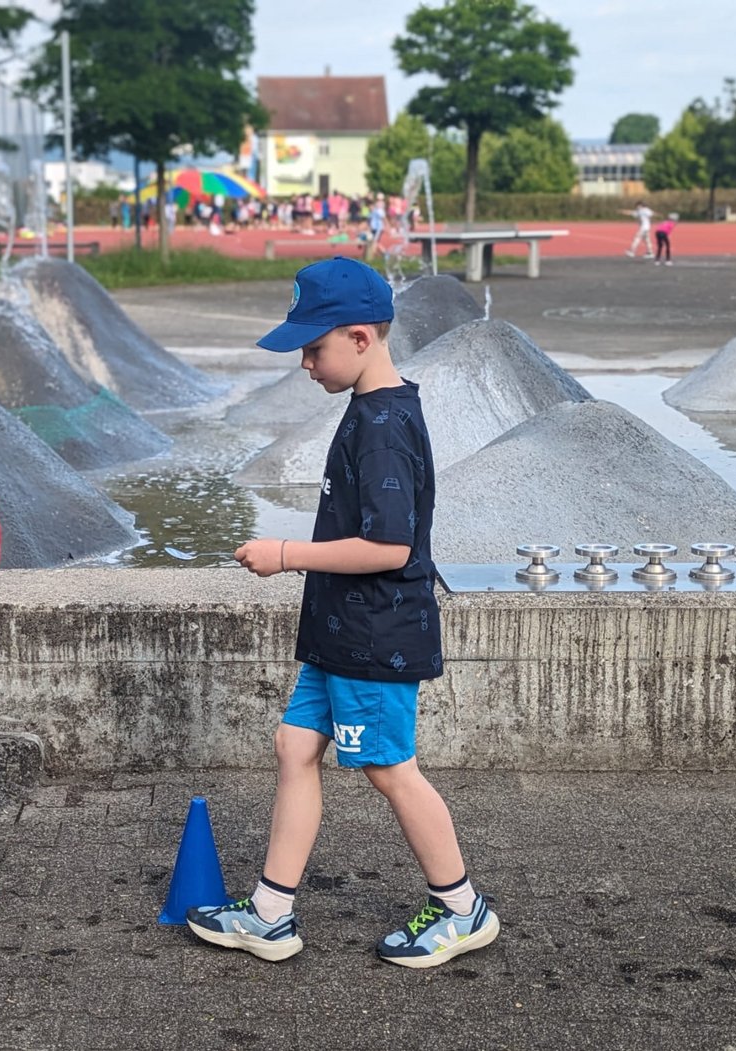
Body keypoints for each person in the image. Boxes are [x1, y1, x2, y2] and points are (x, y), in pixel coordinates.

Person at [186, 257, 499, 970]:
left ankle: (461, 908)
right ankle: (270, 914)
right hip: (339, 634)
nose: (305, 364)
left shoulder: (383, 425)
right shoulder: (370, 408)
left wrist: (286, 553)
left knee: (390, 769)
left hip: (374, 638)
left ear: (360, 337)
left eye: (313, 348)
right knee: (295, 746)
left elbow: (390, 547)